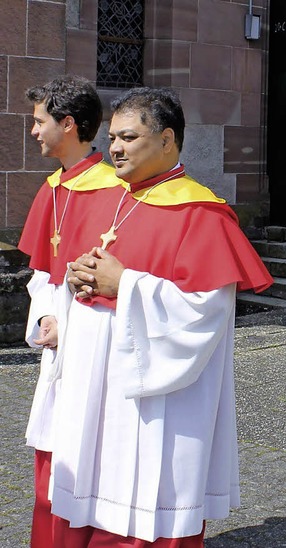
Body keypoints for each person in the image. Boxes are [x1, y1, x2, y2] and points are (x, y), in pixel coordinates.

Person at [43, 87, 273, 546]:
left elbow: (206, 312)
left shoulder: (201, 212)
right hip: (94, 385)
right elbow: (79, 270)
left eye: (128, 137)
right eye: (111, 138)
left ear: (167, 139)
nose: (114, 149)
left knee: (144, 503)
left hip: (153, 396)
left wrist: (123, 285)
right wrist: (77, 280)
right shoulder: (111, 197)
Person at [17, 75, 122, 548]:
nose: (33, 131)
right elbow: (42, 272)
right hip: (57, 346)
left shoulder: (115, 192)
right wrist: (44, 317)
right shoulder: (51, 188)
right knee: (52, 454)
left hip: (96, 350)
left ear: (68, 124)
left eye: (40, 122)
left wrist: (72, 321)